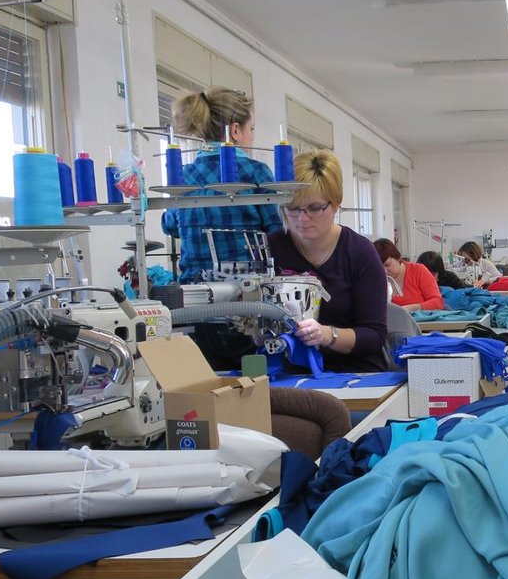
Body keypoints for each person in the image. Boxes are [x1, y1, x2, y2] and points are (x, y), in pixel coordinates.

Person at [266, 150, 388, 373]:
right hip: (291, 375)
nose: (302, 218)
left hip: (357, 373)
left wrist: (326, 335)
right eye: (292, 208)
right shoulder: (271, 249)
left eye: (314, 208)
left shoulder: (360, 253)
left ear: (336, 204)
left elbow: (374, 336)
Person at [160, 87, 282, 283]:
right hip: (247, 290)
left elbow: (170, 226)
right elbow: (276, 231)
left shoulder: (183, 177)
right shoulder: (255, 172)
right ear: (235, 130)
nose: (252, 137)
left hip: (194, 291)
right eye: (251, 129)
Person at [375, 238, 444, 311]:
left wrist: (414, 308)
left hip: (416, 318)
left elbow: (438, 302)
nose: (384, 271)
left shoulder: (418, 271)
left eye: (387, 265)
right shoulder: (375, 279)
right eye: (379, 267)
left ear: (398, 258)